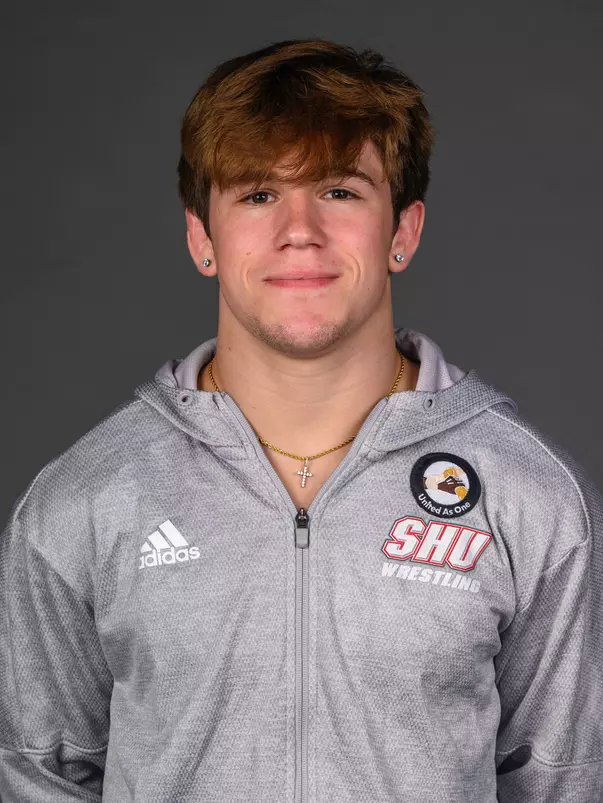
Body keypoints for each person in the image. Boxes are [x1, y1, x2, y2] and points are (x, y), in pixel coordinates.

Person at [0, 37, 601, 803]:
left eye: (339, 192)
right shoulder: (82, 501)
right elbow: (37, 776)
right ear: (200, 237)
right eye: (256, 194)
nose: (299, 230)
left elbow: (568, 784)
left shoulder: (530, 498)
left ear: (404, 232)